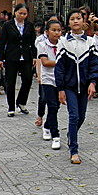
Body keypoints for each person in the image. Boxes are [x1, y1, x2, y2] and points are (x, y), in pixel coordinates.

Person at [55, 9, 98, 163]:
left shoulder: (90, 41)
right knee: (73, 116)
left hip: (85, 85)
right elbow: (59, 67)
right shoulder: (63, 42)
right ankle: (73, 150)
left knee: (81, 116)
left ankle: (70, 134)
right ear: (68, 23)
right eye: (72, 19)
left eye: (78, 18)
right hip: (69, 86)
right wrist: (60, 88)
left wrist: (93, 83)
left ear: (84, 21)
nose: (75, 21)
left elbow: (95, 65)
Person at [0, 3, 36, 117]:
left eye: (25, 14)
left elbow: (32, 42)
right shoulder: (7, 25)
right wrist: (0, 59)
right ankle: (10, 107)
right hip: (11, 56)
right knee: (10, 82)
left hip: (26, 56)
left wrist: (34, 56)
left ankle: (21, 102)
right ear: (15, 13)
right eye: (20, 13)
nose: (22, 16)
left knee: (28, 79)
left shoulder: (29, 25)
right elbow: (2, 43)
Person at [36, 20, 64, 150]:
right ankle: (56, 135)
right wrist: (61, 63)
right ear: (47, 32)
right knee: (52, 104)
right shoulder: (42, 45)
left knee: (56, 106)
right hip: (48, 79)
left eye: (59, 30)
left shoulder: (64, 43)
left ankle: (47, 125)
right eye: (54, 30)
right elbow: (45, 62)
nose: (57, 33)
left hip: (60, 78)